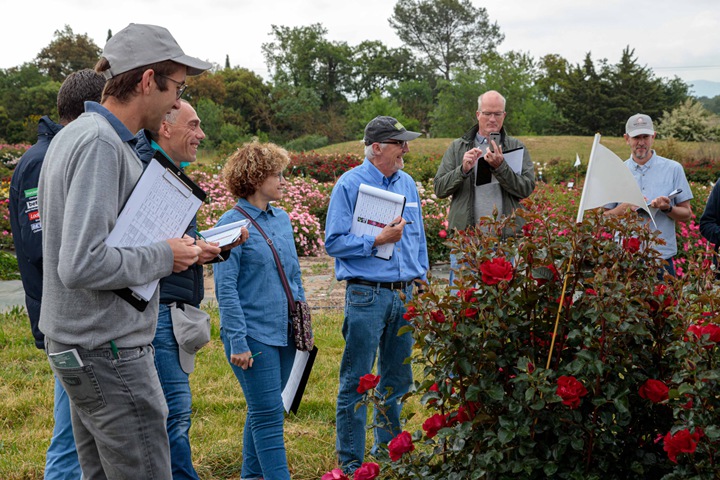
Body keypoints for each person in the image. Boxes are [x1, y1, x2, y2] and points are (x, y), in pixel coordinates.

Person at [37, 23, 210, 478]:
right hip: (109, 351)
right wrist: (164, 255)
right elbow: (80, 262)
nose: (177, 102)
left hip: (82, 344)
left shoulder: (75, 136)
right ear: (147, 80)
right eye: (176, 88)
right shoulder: (100, 144)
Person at [135, 100, 248, 479]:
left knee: (174, 413)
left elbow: (171, 242)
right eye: (194, 125)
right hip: (162, 311)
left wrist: (210, 247)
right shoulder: (154, 176)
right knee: (173, 414)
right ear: (166, 128)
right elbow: (149, 248)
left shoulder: (170, 174)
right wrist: (196, 247)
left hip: (171, 308)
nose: (201, 135)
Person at [9, 68, 104, 480]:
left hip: (73, 317)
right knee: (69, 437)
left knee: (78, 431)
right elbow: (41, 244)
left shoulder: (57, 150)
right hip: (64, 317)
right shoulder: (41, 161)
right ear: (91, 110)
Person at [324, 116, 429, 474]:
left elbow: (418, 238)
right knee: (357, 380)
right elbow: (334, 242)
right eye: (400, 143)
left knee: (398, 378)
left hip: (405, 295)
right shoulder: (350, 185)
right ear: (377, 148)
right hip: (367, 296)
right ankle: (352, 463)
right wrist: (376, 240)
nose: (406, 149)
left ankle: (386, 453)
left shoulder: (408, 184)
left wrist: (422, 277)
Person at [213, 141, 305, 480]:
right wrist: (237, 341)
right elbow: (225, 288)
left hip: (284, 332)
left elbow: (294, 276)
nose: (284, 181)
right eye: (276, 174)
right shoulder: (230, 223)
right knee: (268, 416)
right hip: (253, 336)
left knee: (263, 412)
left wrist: (302, 322)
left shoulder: (281, 220)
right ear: (254, 178)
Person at [433, 90, 535, 283]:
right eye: (487, 113)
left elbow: (526, 188)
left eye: (498, 114)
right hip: (467, 241)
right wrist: (462, 170)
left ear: (504, 116)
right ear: (478, 114)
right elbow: (439, 189)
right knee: (464, 300)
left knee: (501, 301)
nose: (492, 119)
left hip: (504, 242)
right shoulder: (458, 147)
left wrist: (501, 167)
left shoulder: (515, 146)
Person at [604, 113, 693, 277]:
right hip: (624, 260)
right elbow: (602, 218)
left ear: (653, 137)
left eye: (645, 136)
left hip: (661, 260)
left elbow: (686, 214)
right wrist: (622, 209)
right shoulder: (616, 172)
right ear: (626, 139)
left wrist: (667, 208)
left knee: (664, 303)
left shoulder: (673, 169)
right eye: (636, 137)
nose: (641, 142)